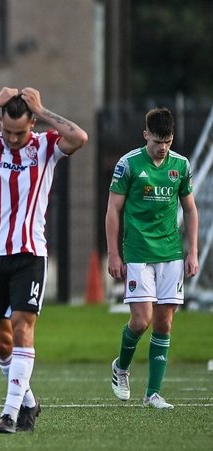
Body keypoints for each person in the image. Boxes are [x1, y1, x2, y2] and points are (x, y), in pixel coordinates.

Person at [0, 87, 88, 433]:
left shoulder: (47, 146)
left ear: (33, 124)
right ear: (0, 123)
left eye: (20, 132)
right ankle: (29, 402)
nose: (12, 138)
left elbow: (80, 137)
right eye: (7, 131)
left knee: (23, 327)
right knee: (1, 340)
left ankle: (9, 413)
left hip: (29, 253)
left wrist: (45, 108)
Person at [106, 107, 198, 410]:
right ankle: (121, 367)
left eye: (168, 142)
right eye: (158, 141)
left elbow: (190, 209)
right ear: (146, 135)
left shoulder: (181, 166)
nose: (163, 147)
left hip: (171, 253)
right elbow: (113, 210)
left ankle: (153, 394)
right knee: (141, 321)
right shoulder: (128, 164)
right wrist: (113, 253)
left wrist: (192, 252)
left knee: (164, 324)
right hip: (137, 253)